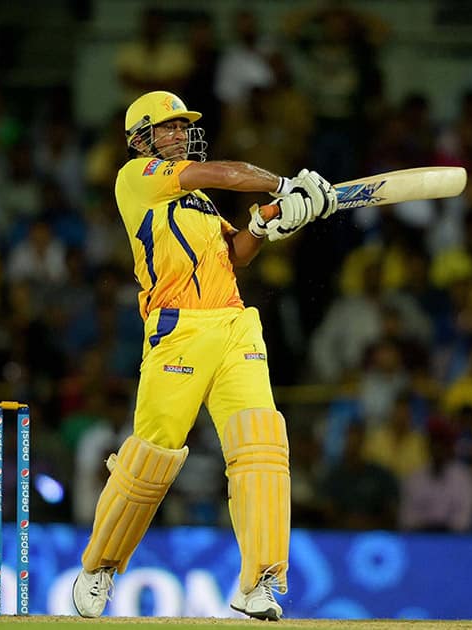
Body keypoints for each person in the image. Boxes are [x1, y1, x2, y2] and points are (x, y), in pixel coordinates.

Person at [70, 90, 337, 621]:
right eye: (167, 127)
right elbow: (225, 172)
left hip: (236, 324)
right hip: (178, 329)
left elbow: (235, 256)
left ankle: (259, 583)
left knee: (262, 447)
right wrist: (283, 184)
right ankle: (99, 566)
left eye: (181, 126)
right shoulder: (137, 178)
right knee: (152, 458)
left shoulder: (199, 202)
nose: (178, 135)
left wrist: (265, 225)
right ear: (141, 138)